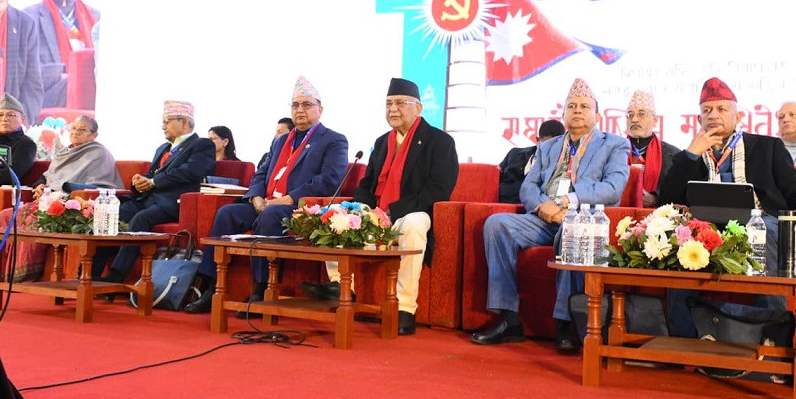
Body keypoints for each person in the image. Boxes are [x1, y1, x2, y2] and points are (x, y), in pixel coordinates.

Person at [657, 77, 796, 337]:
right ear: (698, 119)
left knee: (759, 235)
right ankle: (683, 339)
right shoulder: (689, 155)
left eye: (721, 109)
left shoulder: (767, 147)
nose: (713, 115)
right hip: (706, 224)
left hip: (759, 221)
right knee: (682, 239)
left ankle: (773, 340)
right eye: (707, 110)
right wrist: (692, 153)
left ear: (738, 116)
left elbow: (793, 186)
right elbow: (667, 198)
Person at [470, 78, 629, 351]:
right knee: (497, 224)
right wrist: (544, 207)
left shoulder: (614, 145)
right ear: (563, 114)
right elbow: (528, 187)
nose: (577, 111)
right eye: (572, 106)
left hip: (583, 219)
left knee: (571, 232)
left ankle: (566, 323)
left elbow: (612, 188)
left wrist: (566, 201)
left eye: (584, 106)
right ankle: (508, 319)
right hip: (543, 217)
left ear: (597, 116)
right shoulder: (548, 147)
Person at [299, 77, 459, 335]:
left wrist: (391, 212)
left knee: (414, 224)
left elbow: (438, 189)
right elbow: (367, 185)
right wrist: (363, 210)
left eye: (400, 103)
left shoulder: (439, 141)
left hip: (411, 212)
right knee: (337, 217)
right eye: (388, 104)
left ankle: (404, 309)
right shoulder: (383, 142)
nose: (393, 109)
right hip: (378, 214)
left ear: (418, 108)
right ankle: (340, 286)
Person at [184, 77, 348, 316]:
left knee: (271, 214)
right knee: (226, 213)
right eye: (295, 105)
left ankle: (261, 290)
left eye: (307, 105)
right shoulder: (281, 141)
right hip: (266, 202)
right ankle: (209, 287)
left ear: (320, 110)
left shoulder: (333, 140)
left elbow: (330, 180)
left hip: (297, 207)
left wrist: (288, 199)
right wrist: (256, 197)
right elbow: (261, 172)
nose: (300, 110)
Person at [94, 100, 215, 281]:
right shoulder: (163, 148)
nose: (163, 126)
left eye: (167, 121)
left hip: (174, 202)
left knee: (141, 219)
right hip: (147, 200)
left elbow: (190, 171)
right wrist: (139, 182)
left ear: (184, 122)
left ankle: (115, 276)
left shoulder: (202, 145)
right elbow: (150, 175)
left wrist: (153, 182)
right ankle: (90, 273)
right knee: (113, 214)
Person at [0, 115, 123, 281]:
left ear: (94, 135)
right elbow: (48, 176)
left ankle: (21, 276)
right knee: (5, 215)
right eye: (74, 128)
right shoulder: (64, 153)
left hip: (72, 205)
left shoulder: (98, 154)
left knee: (32, 219)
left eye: (82, 130)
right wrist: (40, 186)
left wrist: (57, 191)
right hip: (48, 200)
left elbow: (97, 185)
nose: (76, 132)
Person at [24, 0, 99, 108]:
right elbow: (26, 72)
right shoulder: (29, 19)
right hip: (49, 106)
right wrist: (67, 74)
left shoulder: (97, 19)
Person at [625, 90, 681, 207]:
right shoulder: (615, 151)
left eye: (642, 114)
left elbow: (680, 191)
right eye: (630, 115)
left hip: (658, 217)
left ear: (655, 121)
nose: (634, 119)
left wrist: (656, 198)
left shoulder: (673, 154)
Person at [497, 119, 564, 204]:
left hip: (537, 208)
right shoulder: (514, 154)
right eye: (546, 145)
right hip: (504, 204)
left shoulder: (564, 164)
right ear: (538, 140)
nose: (549, 149)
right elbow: (496, 179)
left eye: (555, 146)